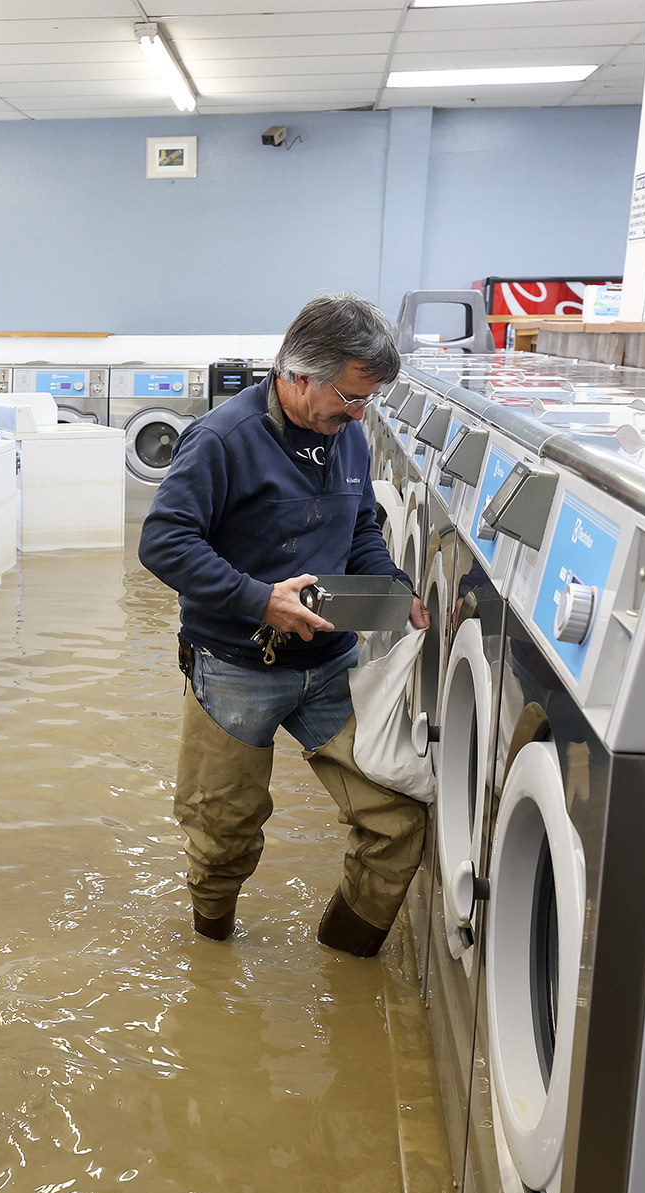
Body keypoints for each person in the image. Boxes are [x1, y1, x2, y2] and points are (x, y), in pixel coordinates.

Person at [139, 293, 429, 956]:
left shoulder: (348, 436)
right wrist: (260, 599)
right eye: (350, 398)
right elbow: (163, 542)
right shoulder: (222, 440)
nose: (359, 414)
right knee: (223, 836)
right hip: (235, 667)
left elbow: (360, 528)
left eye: (368, 401)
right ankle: (211, 958)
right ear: (298, 375)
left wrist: (391, 587)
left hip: (328, 669)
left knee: (398, 820)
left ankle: (346, 964)